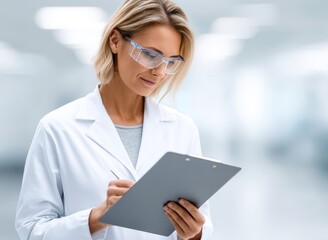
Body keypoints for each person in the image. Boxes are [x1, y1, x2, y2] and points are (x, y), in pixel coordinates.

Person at [15, 0, 214, 239]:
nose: (160, 72)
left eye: (171, 62)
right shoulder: (57, 128)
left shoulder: (182, 129)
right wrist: (97, 217)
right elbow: (31, 229)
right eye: (151, 55)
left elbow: (202, 228)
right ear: (115, 40)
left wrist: (194, 233)